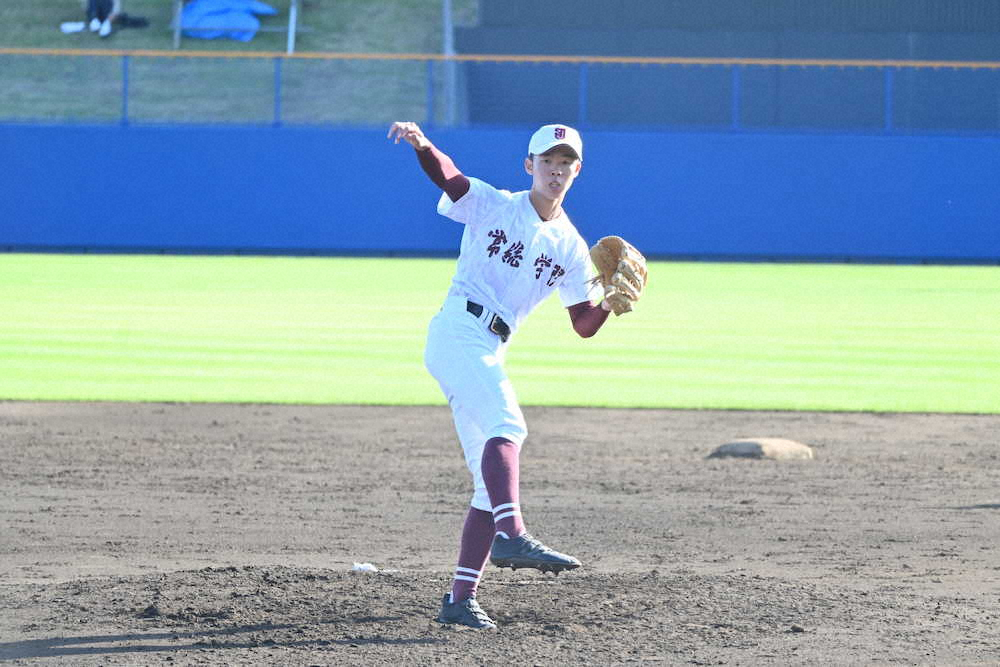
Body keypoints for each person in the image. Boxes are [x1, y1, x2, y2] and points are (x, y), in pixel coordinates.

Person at [387, 121, 615, 630]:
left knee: (489, 485)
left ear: (577, 171)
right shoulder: (496, 204)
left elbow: (582, 323)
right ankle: (513, 533)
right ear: (529, 166)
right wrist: (423, 145)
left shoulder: (572, 246)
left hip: (489, 345)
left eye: (566, 164)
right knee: (509, 426)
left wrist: (613, 305)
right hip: (457, 331)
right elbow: (451, 179)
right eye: (547, 162)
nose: (556, 171)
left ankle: (459, 599)